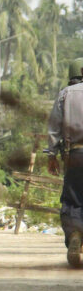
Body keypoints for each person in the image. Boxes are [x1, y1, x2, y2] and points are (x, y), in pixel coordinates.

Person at [47, 57, 83, 268]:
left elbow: (54, 127)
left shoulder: (65, 94)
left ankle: (75, 235)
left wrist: (51, 155)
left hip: (75, 155)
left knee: (72, 199)